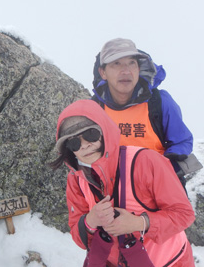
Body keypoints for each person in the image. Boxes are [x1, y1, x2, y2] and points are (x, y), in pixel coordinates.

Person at [50, 99, 195, 266]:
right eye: (74, 142)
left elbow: (184, 214)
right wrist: (90, 220)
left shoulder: (146, 161)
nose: (84, 145)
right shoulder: (76, 179)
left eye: (91, 134)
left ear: (104, 130)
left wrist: (140, 223)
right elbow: (79, 238)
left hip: (170, 262)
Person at [91, 38, 195, 187]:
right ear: (103, 72)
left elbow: (182, 141)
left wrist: (165, 169)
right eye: (116, 63)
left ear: (138, 69)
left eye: (131, 63)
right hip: (113, 190)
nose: (126, 71)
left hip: (159, 186)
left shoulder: (159, 101)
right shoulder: (95, 108)